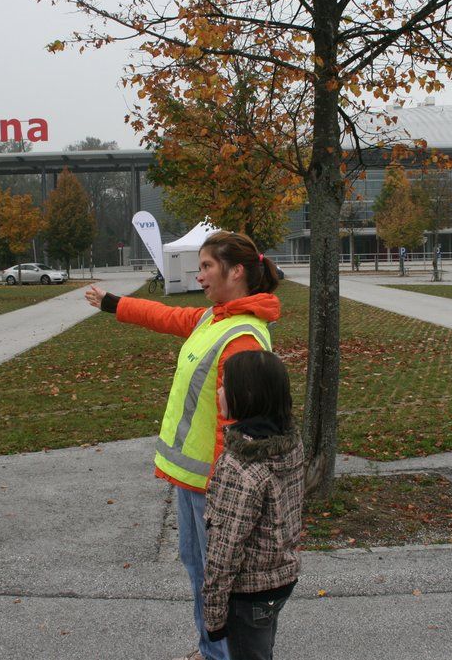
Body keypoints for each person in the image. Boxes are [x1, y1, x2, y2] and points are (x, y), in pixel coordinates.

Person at [84, 231, 281, 660]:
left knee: (219, 581)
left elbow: (238, 431)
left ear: (236, 271)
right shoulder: (215, 318)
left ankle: (222, 655)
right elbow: (166, 316)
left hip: (213, 489)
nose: (200, 275)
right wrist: (114, 303)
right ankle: (211, 651)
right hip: (193, 482)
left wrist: (225, 497)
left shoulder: (241, 339)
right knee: (201, 573)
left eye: (207, 266)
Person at [202, 350, 304, 660]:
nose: (219, 390)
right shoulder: (290, 446)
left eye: (224, 384)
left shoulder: (239, 466)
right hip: (281, 578)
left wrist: (214, 617)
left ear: (245, 395)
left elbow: (225, 548)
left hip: (248, 593)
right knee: (262, 648)